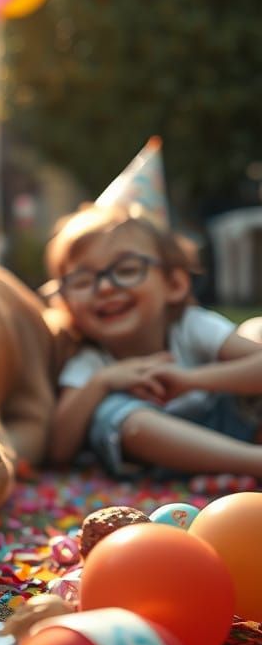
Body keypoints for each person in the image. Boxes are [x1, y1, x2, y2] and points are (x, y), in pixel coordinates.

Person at [44, 203, 262, 478]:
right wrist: (102, 382)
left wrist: (192, 380)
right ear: (66, 303)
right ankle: (253, 462)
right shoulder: (91, 362)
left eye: (126, 270)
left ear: (174, 285)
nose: (106, 287)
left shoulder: (190, 326)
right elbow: (58, 450)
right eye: (82, 281)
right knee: (112, 414)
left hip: (233, 424)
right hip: (157, 456)